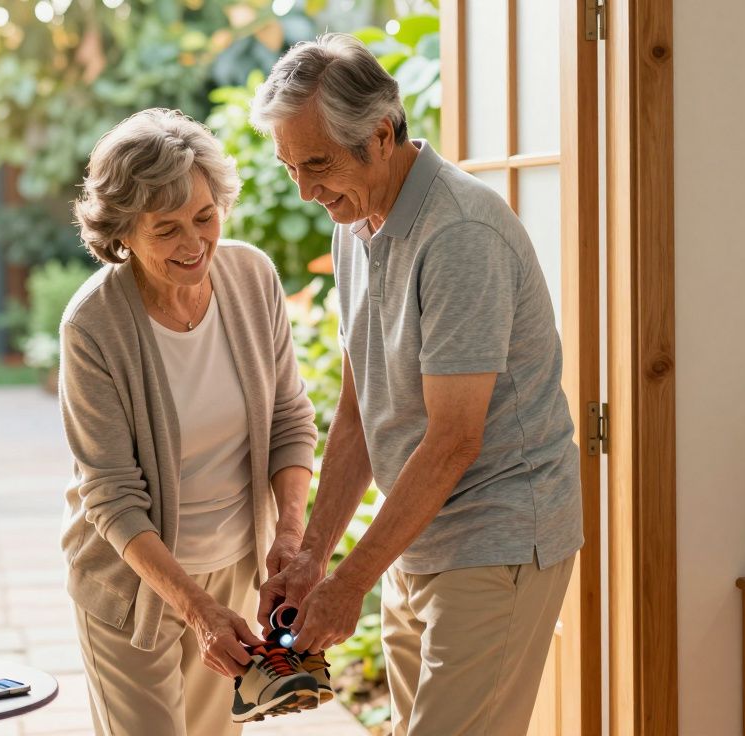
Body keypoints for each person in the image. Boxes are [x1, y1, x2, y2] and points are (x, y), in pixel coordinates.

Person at [251, 34, 584, 736]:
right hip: (420, 533)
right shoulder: (357, 218)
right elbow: (356, 410)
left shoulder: (459, 233)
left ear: (379, 134)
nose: (307, 191)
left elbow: (455, 438)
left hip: (496, 530)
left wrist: (350, 583)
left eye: (317, 164)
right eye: (291, 169)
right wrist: (314, 558)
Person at [58, 108, 323, 734]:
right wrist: (195, 609)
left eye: (205, 217)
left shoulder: (251, 277)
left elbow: (289, 419)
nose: (194, 243)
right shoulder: (93, 326)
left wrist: (288, 535)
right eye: (166, 229)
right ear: (122, 232)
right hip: (132, 582)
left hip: (233, 568)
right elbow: (112, 496)